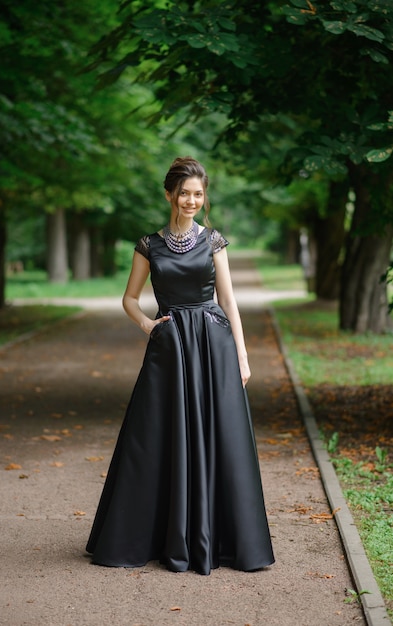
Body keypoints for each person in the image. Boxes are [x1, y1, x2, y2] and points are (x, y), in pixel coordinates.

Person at [86, 156, 275, 575]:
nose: (191, 200)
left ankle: (220, 538)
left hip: (213, 345)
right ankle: (151, 536)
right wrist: (150, 326)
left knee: (218, 437)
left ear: (204, 198)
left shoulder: (214, 241)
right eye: (185, 193)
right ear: (170, 194)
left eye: (199, 194)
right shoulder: (148, 245)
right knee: (152, 436)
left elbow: (228, 302)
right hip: (169, 347)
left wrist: (242, 357)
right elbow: (129, 299)